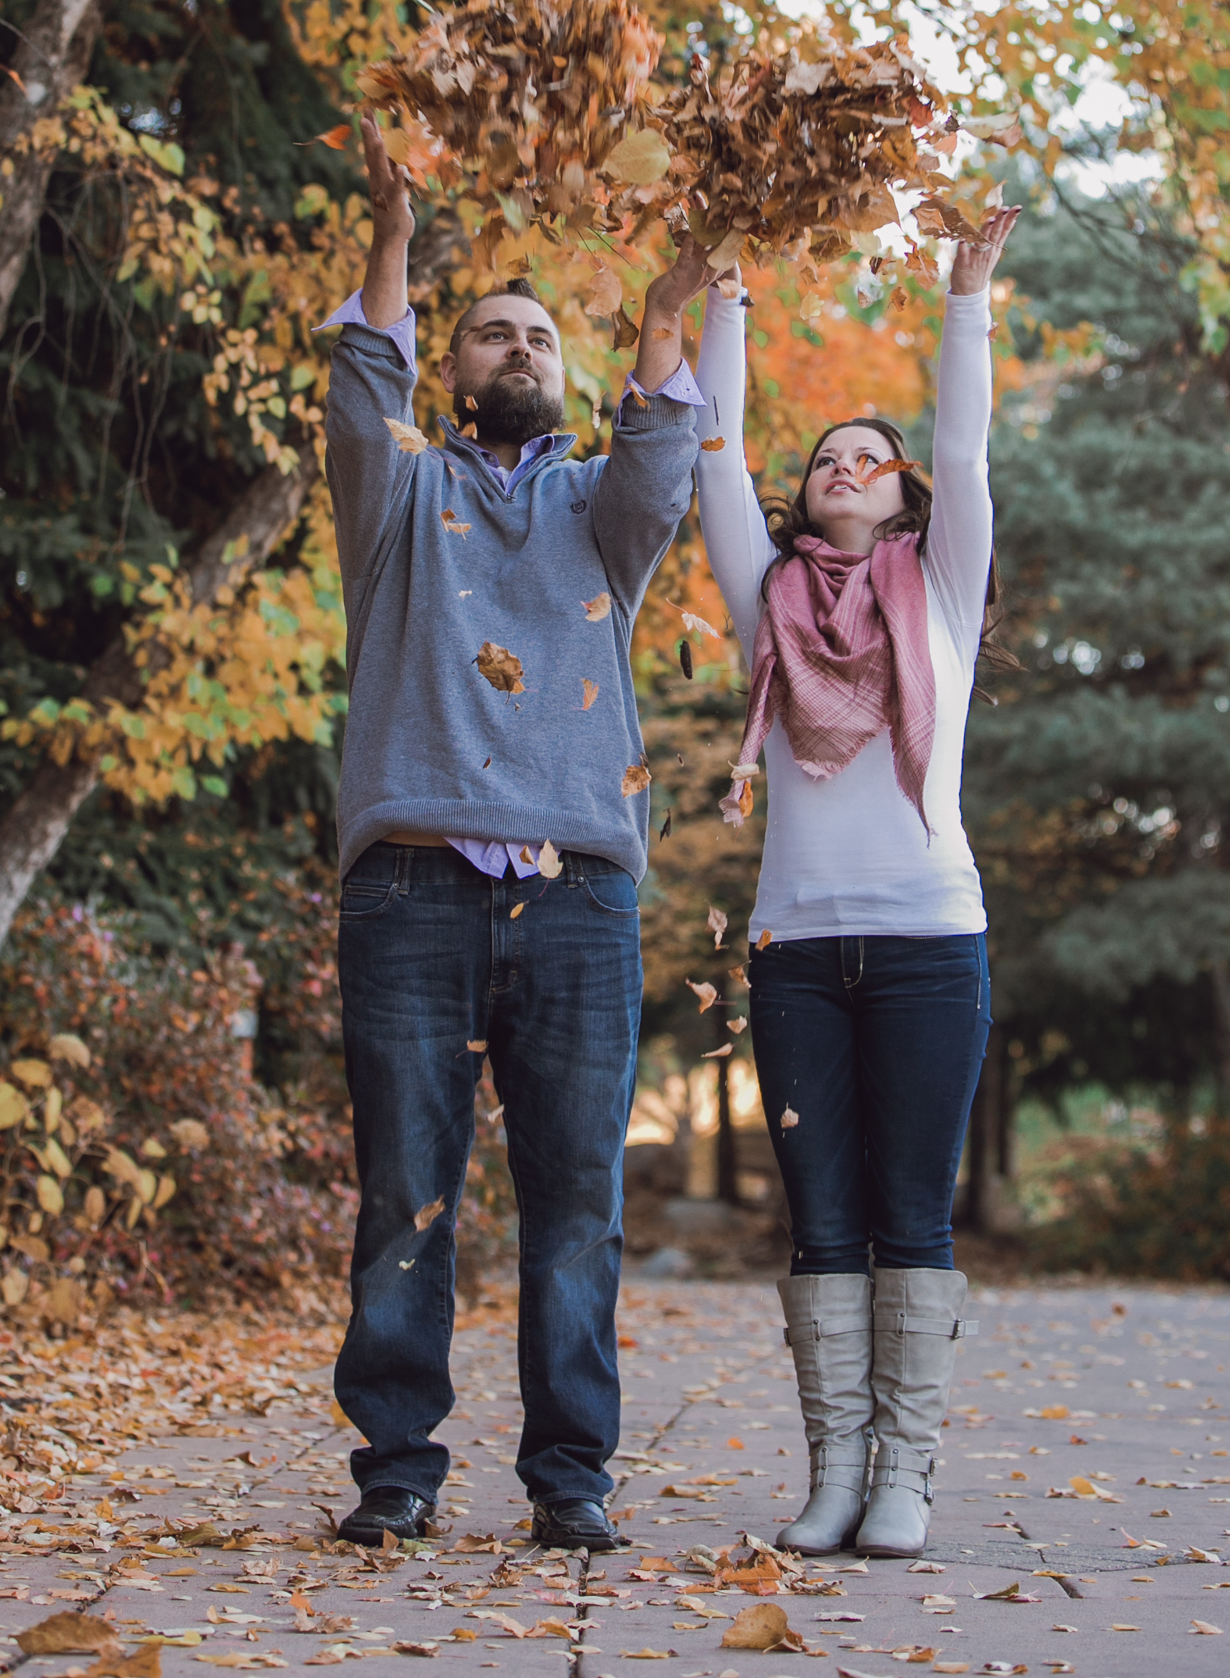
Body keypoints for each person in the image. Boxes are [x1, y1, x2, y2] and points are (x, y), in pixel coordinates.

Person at [320, 113, 711, 1554]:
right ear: (454, 361)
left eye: (542, 338)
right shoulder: (398, 498)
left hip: (580, 895)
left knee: (577, 1203)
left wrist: (666, 311)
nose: (521, 353)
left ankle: (571, 1479)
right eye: (493, 334)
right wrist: (396, 235)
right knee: (407, 1191)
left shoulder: (599, 520)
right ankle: (398, 1471)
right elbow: (362, 390)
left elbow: (663, 453)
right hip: (411, 887)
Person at [692, 207, 1019, 1559]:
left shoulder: (940, 589)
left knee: (908, 1209)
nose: (846, 466)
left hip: (933, 944)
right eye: (825, 456)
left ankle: (908, 1476)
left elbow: (964, 443)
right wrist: (726, 304)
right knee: (820, 1218)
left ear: (903, 497)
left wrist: (963, 298)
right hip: (797, 955)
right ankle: (835, 1471)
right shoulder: (764, 593)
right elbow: (713, 459)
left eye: (868, 458)